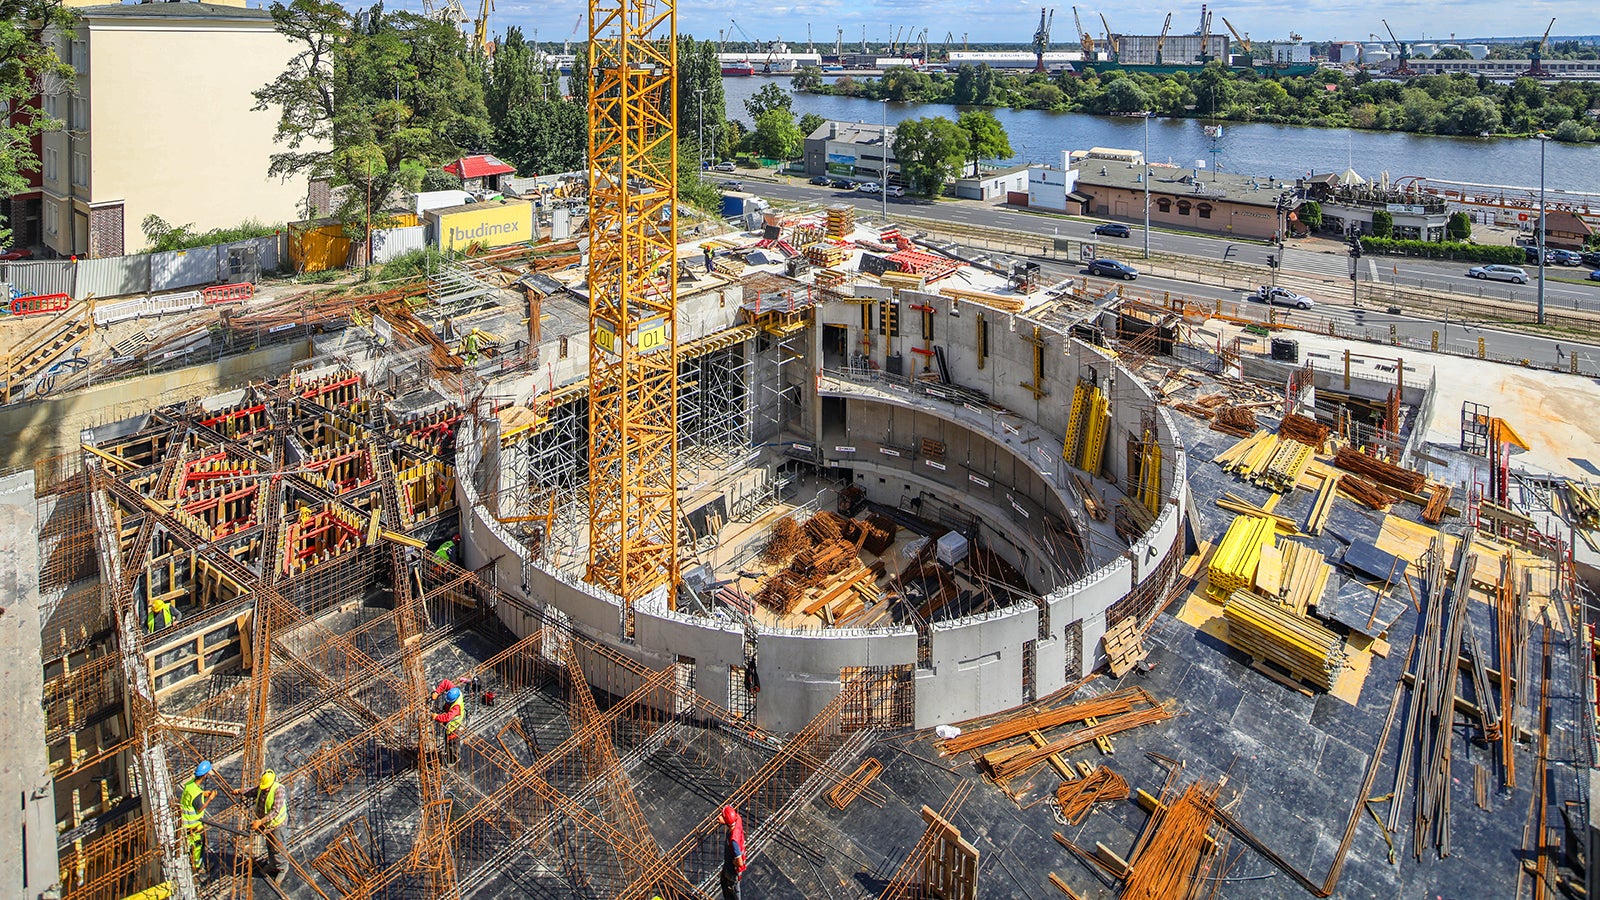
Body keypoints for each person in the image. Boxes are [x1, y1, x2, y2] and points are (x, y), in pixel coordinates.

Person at [251, 769, 288, 884]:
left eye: (266, 787)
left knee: (278, 848)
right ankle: (272, 865)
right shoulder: (263, 788)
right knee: (269, 846)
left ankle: (282, 869)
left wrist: (260, 822)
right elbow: (253, 791)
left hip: (277, 825)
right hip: (267, 825)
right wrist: (240, 791)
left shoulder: (279, 790)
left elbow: (275, 811)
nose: (265, 789)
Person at [181, 761, 216, 879]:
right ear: (205, 775)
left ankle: (193, 864)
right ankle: (197, 868)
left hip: (184, 822)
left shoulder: (190, 785)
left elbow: (194, 795)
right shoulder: (196, 793)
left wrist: (203, 794)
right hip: (194, 826)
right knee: (198, 846)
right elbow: (200, 808)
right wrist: (210, 799)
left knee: (189, 845)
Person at [719, 804, 747, 900]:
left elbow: (739, 863)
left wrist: (734, 862)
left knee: (734, 892)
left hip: (732, 872)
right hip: (728, 867)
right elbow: (735, 816)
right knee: (723, 881)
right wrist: (725, 820)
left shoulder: (733, 840)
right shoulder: (737, 820)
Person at [434, 686, 465, 765]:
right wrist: (437, 692)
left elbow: (448, 717)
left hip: (453, 729)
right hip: (448, 727)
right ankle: (448, 754)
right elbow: (445, 682)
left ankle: (454, 759)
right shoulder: (455, 691)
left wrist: (437, 717)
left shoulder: (456, 707)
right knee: (447, 743)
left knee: (453, 745)